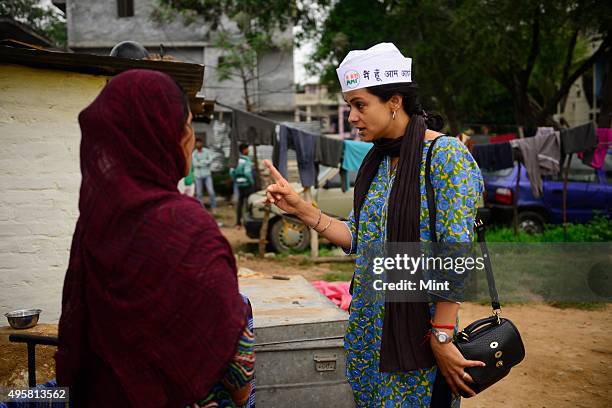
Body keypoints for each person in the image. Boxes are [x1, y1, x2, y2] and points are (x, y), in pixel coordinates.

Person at [263, 43, 484, 407]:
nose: (351, 116)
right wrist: (301, 209)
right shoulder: (377, 161)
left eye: (359, 104)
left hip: (417, 336)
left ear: (394, 101)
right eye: (349, 105)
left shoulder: (446, 157)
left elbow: (456, 252)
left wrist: (442, 334)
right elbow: (358, 238)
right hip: (368, 332)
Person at [55, 70, 253, 407]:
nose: (190, 136)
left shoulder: (94, 223)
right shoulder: (186, 228)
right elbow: (237, 373)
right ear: (161, 135)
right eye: (186, 125)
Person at [230, 143, 255, 228]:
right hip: (247, 184)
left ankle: (238, 223)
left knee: (240, 204)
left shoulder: (236, 159)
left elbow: (231, 172)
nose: (248, 151)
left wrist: (236, 180)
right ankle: (248, 223)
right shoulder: (246, 160)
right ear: (244, 150)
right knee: (249, 203)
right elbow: (247, 173)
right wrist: (251, 181)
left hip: (239, 184)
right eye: (247, 149)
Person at [192, 136, 217, 213]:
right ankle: (201, 209)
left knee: (211, 192)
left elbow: (210, 160)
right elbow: (195, 164)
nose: (198, 144)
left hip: (207, 174)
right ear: (195, 144)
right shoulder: (194, 153)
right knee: (199, 193)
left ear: (202, 143)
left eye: (199, 142)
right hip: (198, 176)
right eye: (197, 143)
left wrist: (201, 161)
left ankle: (214, 207)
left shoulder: (207, 151)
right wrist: (204, 161)